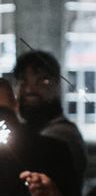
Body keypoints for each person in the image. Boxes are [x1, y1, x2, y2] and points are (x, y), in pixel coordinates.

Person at [13, 50, 87, 187]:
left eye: (42, 81)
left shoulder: (63, 135)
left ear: (57, 86)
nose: (30, 89)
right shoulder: (31, 129)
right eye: (23, 81)